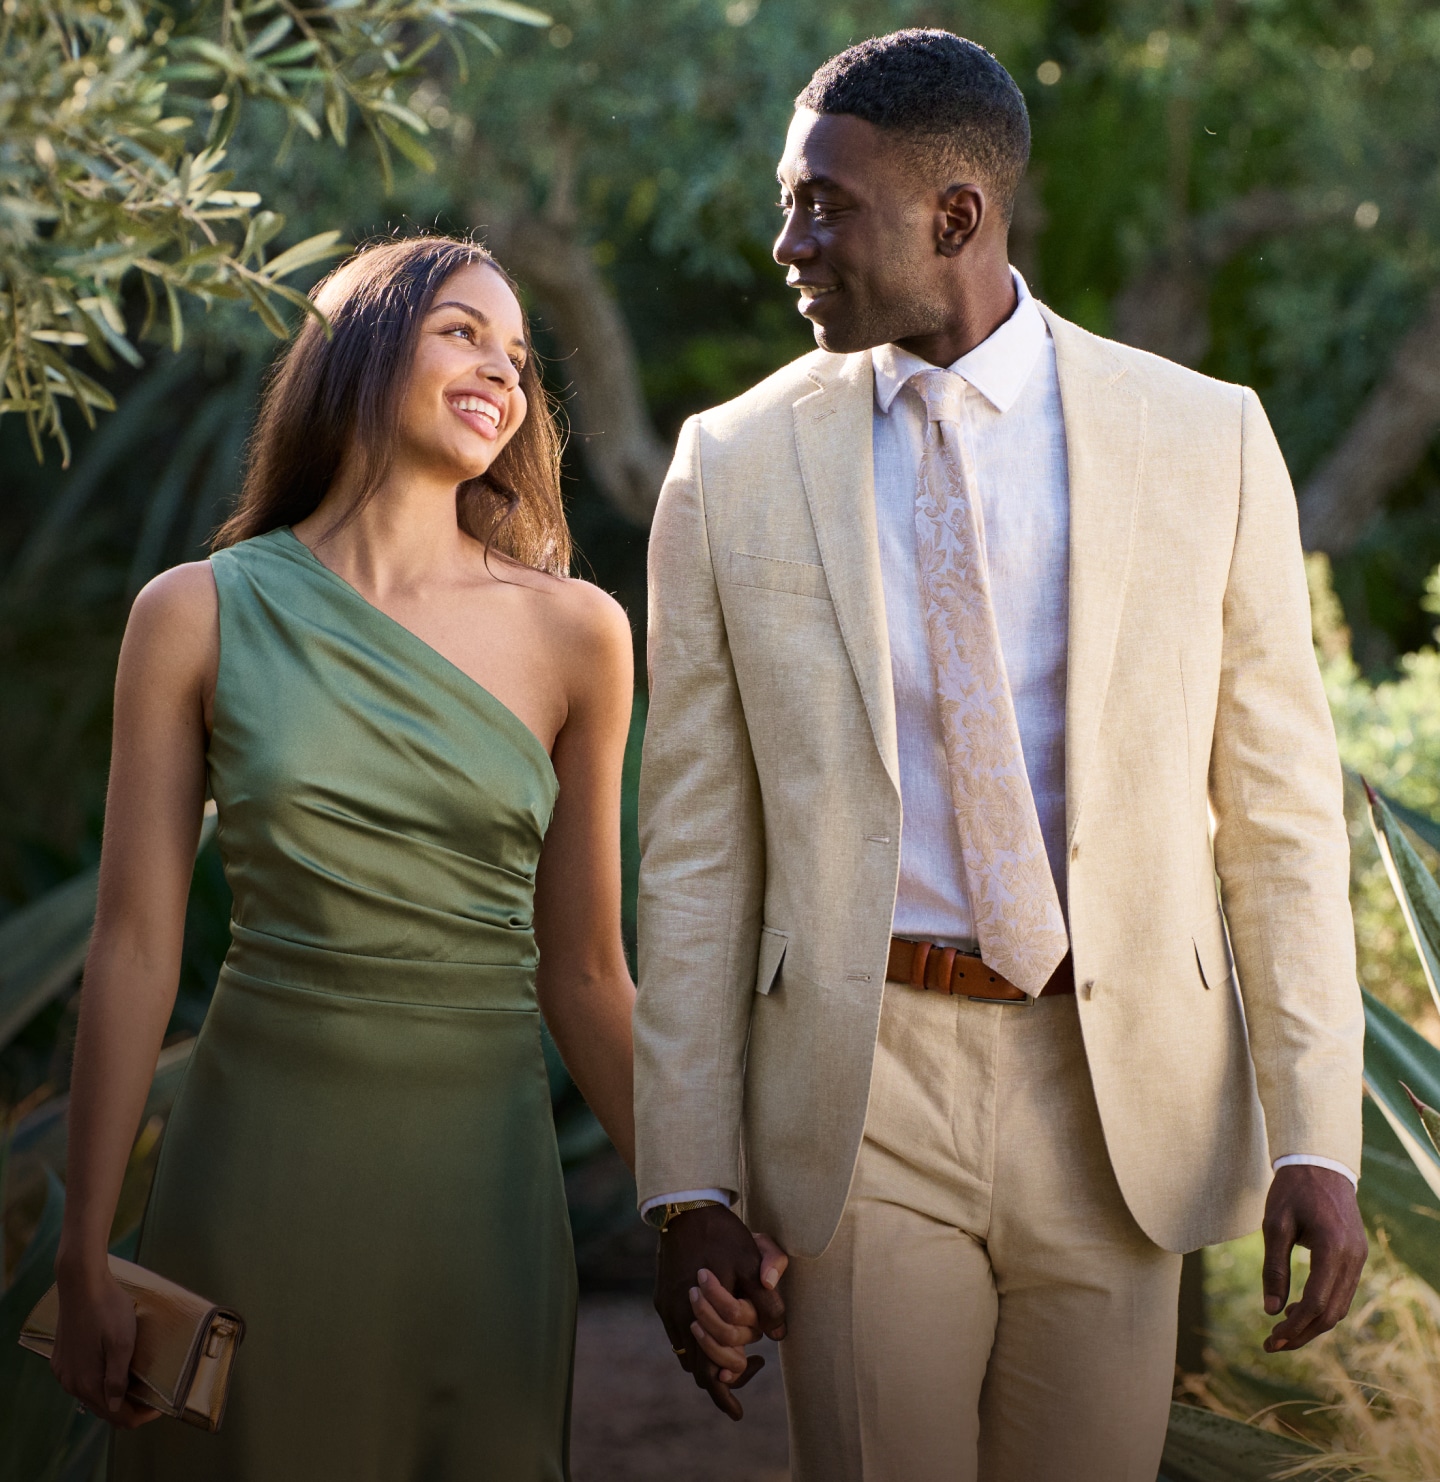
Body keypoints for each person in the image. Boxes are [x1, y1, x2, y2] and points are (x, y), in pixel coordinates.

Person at [635, 31, 1368, 1481]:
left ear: (955, 216)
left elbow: (1280, 817)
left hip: (1116, 1092)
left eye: (824, 205)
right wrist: (689, 1183)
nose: (790, 242)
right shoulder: (729, 466)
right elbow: (696, 845)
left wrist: (1318, 1136)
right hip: (865, 1087)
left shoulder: (1206, 439)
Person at [51, 234, 661, 1480]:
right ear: (358, 347)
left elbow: (590, 976)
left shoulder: (581, 635)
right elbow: (132, 947)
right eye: (461, 330)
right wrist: (85, 1251)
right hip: (256, 1171)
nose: (503, 368)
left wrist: (696, 1214)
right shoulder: (197, 611)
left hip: (480, 1192)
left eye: (521, 354)